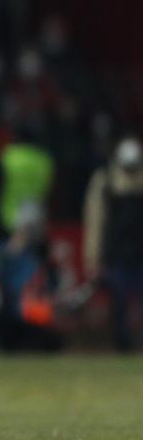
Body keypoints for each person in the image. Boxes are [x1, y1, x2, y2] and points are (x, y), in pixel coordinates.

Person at [83, 136, 143, 352]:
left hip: (139, 254)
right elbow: (96, 221)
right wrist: (93, 258)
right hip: (116, 255)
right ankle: (123, 346)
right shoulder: (106, 181)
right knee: (120, 304)